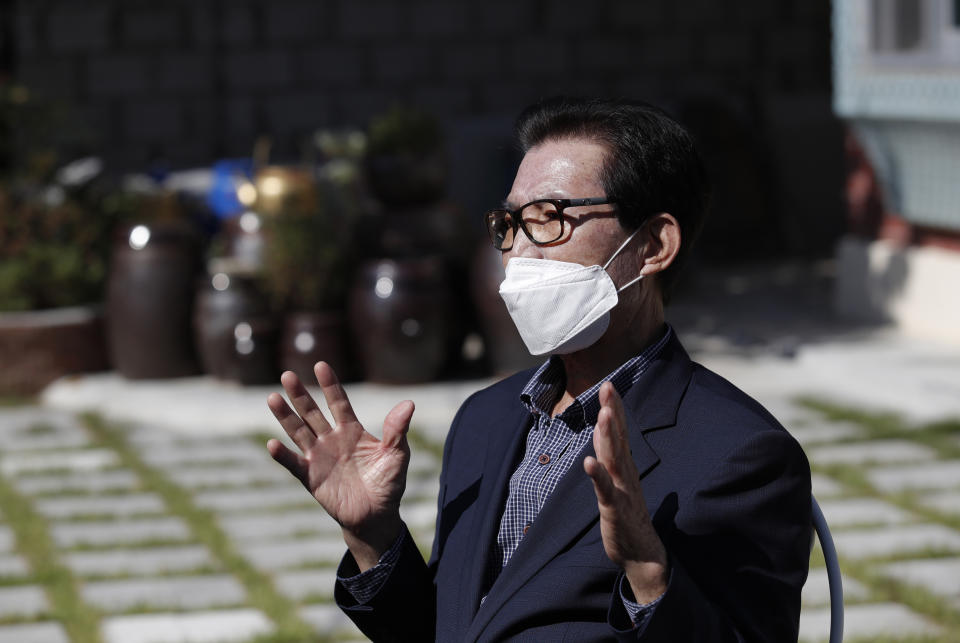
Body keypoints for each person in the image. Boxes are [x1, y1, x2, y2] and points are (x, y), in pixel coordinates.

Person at [266, 97, 812, 642]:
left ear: (652, 244)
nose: (520, 251)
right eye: (510, 223)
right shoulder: (486, 419)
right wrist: (372, 535)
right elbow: (456, 629)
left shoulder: (738, 453)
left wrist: (648, 574)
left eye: (549, 218)